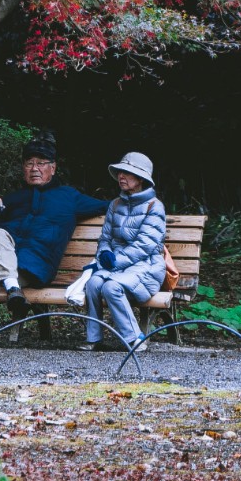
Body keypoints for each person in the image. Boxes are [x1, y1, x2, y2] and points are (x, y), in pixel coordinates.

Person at [0, 134, 107, 341]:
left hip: (35, 269)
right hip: (8, 267)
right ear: (23, 169)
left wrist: (139, 197)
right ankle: (10, 290)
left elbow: (107, 206)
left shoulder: (69, 197)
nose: (34, 168)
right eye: (29, 163)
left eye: (41, 163)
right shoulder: (11, 199)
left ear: (53, 168)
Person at [82, 151, 168, 352]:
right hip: (118, 265)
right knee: (93, 283)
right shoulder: (115, 204)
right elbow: (105, 238)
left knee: (111, 287)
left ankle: (134, 339)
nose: (121, 176)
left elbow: (144, 246)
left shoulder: (154, 206)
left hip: (147, 266)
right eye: (120, 172)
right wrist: (104, 253)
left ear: (140, 179)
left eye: (127, 173)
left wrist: (114, 261)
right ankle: (94, 339)